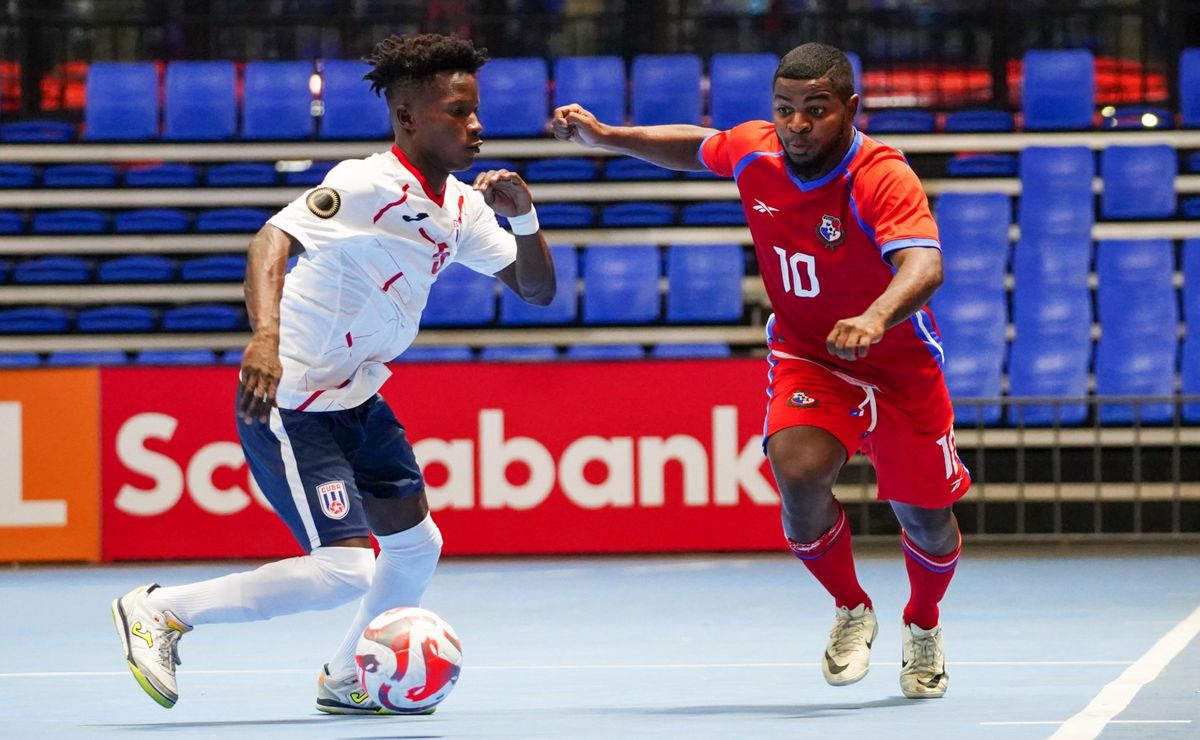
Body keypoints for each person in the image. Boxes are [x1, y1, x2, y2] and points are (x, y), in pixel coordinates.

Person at [112, 33, 555, 714]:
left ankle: (348, 677)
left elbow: (537, 290)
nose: (476, 125)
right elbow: (272, 239)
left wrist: (523, 219)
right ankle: (164, 611)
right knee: (345, 567)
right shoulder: (365, 183)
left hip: (357, 394)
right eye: (457, 112)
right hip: (290, 397)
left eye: (474, 111)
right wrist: (265, 336)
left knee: (415, 546)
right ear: (409, 117)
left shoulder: (461, 206)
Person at [553, 41, 968, 699]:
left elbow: (925, 265)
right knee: (798, 475)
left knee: (925, 518)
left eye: (816, 110)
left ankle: (923, 622)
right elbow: (696, 146)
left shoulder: (881, 175)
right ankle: (853, 608)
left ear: (850, 109)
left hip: (897, 364)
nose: (798, 125)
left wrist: (876, 316)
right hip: (809, 354)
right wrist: (608, 136)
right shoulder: (758, 149)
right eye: (786, 110)